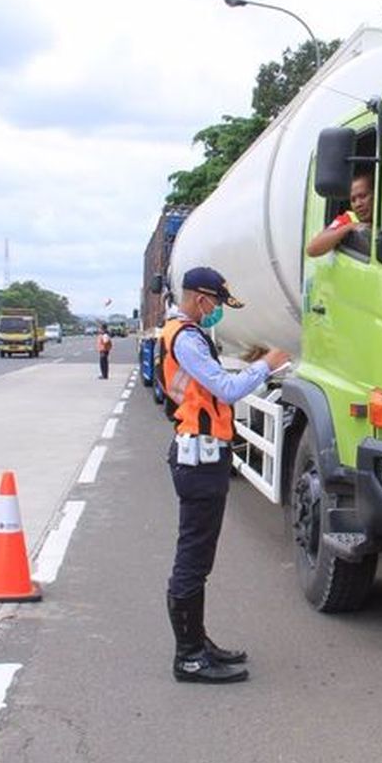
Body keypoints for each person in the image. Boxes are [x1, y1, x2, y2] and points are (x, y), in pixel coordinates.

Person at [161, 266, 290, 684]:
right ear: (201, 299)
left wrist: (250, 365)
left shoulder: (185, 333)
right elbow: (226, 390)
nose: (218, 312)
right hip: (197, 459)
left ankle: (199, 643)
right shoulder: (186, 337)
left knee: (199, 559)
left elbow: (208, 388)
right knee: (192, 561)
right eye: (216, 303)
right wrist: (266, 367)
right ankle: (190, 657)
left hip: (203, 456)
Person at [306, 173, 374, 257]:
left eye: (363, 196)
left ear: (375, 195)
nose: (358, 204)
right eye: (353, 200)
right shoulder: (349, 219)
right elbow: (311, 250)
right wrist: (350, 227)